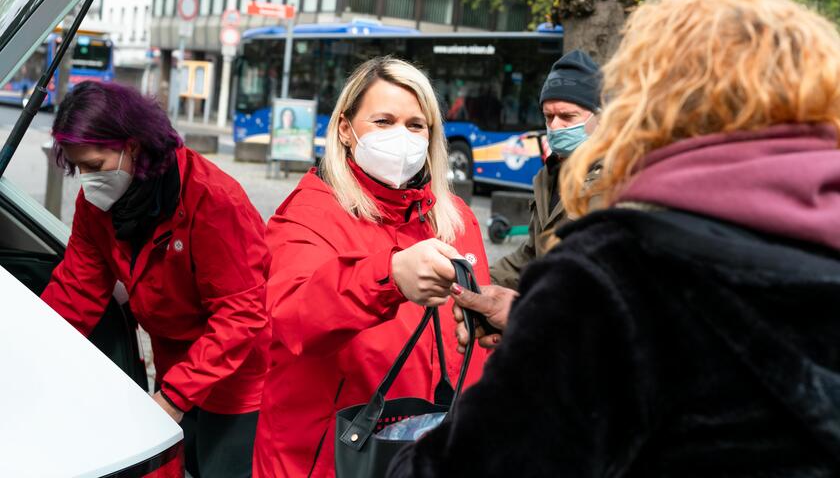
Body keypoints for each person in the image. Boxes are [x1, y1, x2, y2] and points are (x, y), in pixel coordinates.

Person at [387, 0, 840, 476]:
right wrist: (530, 314)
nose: (556, 126)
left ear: (651, 100)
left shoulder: (613, 272)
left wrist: (549, 324)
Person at [252, 57, 491, 477]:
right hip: (329, 459)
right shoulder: (310, 214)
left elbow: (473, 347)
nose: (402, 137)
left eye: (416, 125)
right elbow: (292, 317)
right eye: (383, 121)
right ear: (345, 129)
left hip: (429, 452)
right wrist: (389, 277)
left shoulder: (457, 219)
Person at [41, 81, 270, 478]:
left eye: (94, 166)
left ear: (131, 146)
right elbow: (76, 289)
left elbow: (241, 315)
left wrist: (175, 397)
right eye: (79, 168)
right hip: (174, 365)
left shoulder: (212, 199)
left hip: (237, 377)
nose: (87, 180)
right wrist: (35, 347)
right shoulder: (97, 205)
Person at [466, 51, 603, 352]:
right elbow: (531, 256)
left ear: (599, 116)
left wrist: (522, 312)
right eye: (548, 117)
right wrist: (474, 286)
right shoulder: (547, 176)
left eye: (567, 117)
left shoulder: (622, 178)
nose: (556, 126)